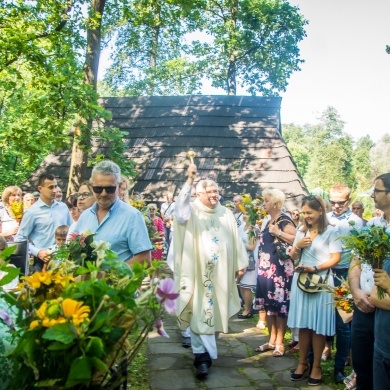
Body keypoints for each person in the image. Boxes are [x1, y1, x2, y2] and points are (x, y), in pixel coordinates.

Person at [172, 162, 248, 378]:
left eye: (216, 191)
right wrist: (189, 181)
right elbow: (179, 212)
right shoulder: (192, 212)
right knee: (198, 310)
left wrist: (240, 263)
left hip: (221, 275)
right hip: (197, 273)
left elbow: (236, 241)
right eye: (210, 191)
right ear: (198, 194)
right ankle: (201, 358)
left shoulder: (226, 213)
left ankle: (208, 350)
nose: (215, 195)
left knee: (215, 312)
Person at [288, 195, 342, 386]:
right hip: (301, 280)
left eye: (309, 212)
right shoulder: (301, 230)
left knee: (318, 326)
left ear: (320, 211)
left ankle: (317, 366)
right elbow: (293, 258)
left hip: (321, 281)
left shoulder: (331, 231)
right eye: (303, 213)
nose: (306, 216)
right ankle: (302, 363)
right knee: (303, 324)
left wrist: (316, 268)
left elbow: (336, 257)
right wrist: (297, 246)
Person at [70, 160, 153, 267]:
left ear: (119, 186)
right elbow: (74, 252)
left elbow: (144, 259)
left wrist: (109, 275)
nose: (104, 194)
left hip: (117, 283)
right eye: (98, 189)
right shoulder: (85, 216)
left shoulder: (132, 216)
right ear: (92, 186)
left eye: (110, 189)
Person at [326, 183, 364, 383]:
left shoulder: (357, 222)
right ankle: (312, 359)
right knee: (322, 319)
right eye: (332, 201)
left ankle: (339, 368)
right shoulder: (324, 218)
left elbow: (358, 254)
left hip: (343, 276)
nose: (335, 206)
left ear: (347, 201)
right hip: (324, 274)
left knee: (343, 324)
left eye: (340, 202)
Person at [357, 172, 390, 390]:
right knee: (364, 372)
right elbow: (355, 261)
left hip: (384, 315)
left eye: (376, 191)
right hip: (367, 311)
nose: (372, 195)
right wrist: (355, 291)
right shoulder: (372, 226)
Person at [254, 188, 296, 357]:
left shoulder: (285, 220)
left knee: (280, 308)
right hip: (266, 270)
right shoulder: (268, 220)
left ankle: (280, 343)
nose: (264, 203)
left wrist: (277, 232)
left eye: (266, 201)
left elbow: (296, 238)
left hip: (280, 270)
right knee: (269, 306)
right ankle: (271, 341)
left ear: (276, 203)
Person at [14, 174, 72, 272]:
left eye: (56, 186)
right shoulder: (32, 212)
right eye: (50, 187)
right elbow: (19, 239)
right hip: (42, 263)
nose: (54, 190)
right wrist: (38, 252)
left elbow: (72, 231)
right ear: (40, 188)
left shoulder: (63, 208)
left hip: (65, 261)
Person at [237, 214, 259, 319]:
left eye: (248, 213)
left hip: (250, 259)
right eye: (244, 213)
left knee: (246, 285)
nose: (245, 216)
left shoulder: (253, 229)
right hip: (241, 257)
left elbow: (251, 246)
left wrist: (238, 244)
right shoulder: (242, 227)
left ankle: (248, 310)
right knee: (241, 284)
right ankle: (245, 306)